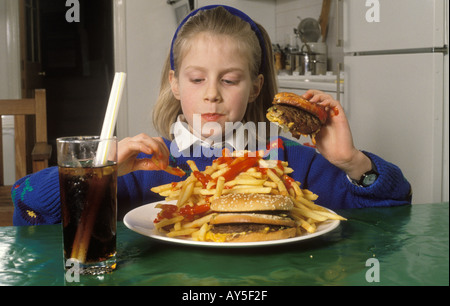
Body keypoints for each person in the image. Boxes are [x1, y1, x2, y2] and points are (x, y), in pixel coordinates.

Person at [11, 5, 411, 226]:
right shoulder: (145, 165)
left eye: (230, 80)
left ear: (255, 87)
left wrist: (351, 162)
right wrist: (101, 170)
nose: (213, 95)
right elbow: (29, 207)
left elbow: (396, 211)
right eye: (197, 78)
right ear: (175, 83)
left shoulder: (292, 161)